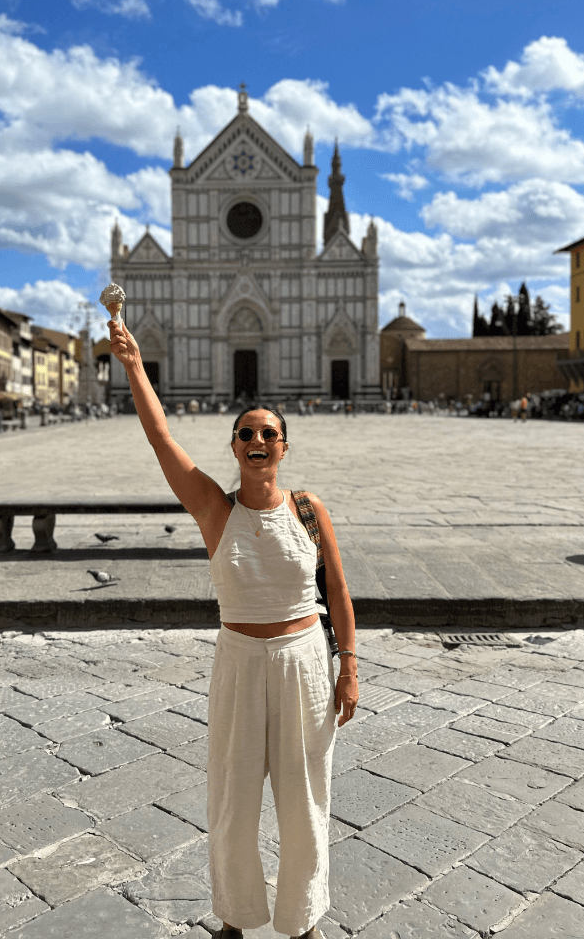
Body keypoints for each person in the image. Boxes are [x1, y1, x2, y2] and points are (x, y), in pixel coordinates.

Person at [109, 317, 358, 939]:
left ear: (283, 446)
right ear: (234, 446)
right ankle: (234, 917)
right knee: (232, 805)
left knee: (305, 805)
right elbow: (160, 437)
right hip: (241, 663)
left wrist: (348, 666)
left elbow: (339, 590)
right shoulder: (213, 509)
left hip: (305, 663)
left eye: (267, 433)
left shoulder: (308, 508)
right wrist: (136, 366)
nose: (257, 441)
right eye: (245, 433)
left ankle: (300, 920)